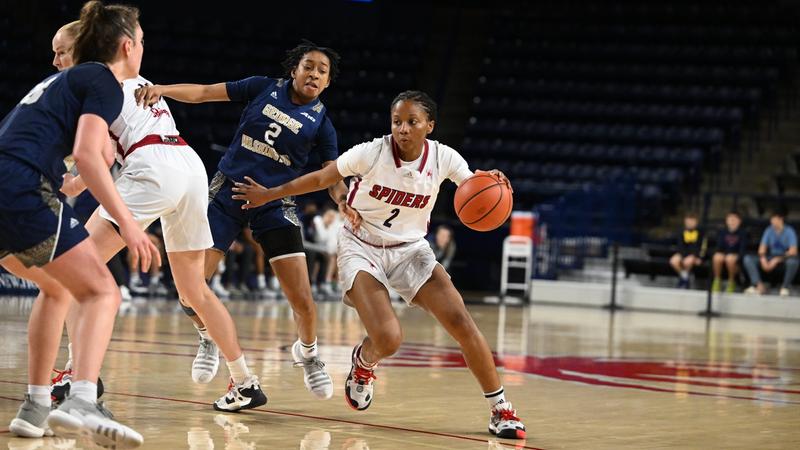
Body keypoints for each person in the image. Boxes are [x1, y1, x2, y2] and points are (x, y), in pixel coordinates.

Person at [232, 90, 527, 439]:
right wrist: (271, 193)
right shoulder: (372, 151)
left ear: (429, 126)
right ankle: (364, 362)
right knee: (388, 338)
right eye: (397, 121)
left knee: (462, 322)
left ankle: (500, 409)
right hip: (362, 245)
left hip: (411, 250)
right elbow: (322, 177)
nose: (402, 129)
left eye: (412, 122)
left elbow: (472, 185)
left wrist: (491, 182)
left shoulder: (443, 158)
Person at [56, 28, 266, 412]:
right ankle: (245, 381)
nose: (56, 61)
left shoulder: (92, 83)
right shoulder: (135, 76)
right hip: (187, 163)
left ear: (84, 50)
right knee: (194, 291)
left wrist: (73, 184)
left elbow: (100, 155)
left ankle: (76, 373)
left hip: (151, 165)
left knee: (74, 268)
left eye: (62, 52)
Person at [135, 40, 357, 400]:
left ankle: (309, 353)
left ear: (328, 83)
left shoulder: (322, 125)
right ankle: (208, 337)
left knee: (302, 298)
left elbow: (330, 173)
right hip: (227, 193)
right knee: (190, 289)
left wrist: (344, 198)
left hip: (274, 202)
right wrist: (163, 90)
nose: (314, 73)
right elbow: (205, 92)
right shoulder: (262, 87)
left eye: (322, 71)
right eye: (309, 66)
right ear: (294, 70)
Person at [0, 2, 159, 447]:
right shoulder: (103, 80)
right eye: (142, 41)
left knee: (57, 288)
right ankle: (82, 398)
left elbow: (77, 156)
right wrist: (128, 223)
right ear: (128, 46)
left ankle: (35, 406)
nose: (143, 49)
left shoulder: (60, 81)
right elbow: (90, 157)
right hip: (19, 185)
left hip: (10, 183)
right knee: (102, 291)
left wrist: (72, 177)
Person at [743, 211, 798, 296]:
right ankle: (758, 285)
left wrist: (777, 259)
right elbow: (761, 249)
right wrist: (763, 259)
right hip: (770, 256)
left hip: (784, 258)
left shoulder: (789, 231)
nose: (772, 222)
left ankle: (785, 287)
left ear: (781, 219)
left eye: (775, 219)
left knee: (793, 262)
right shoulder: (769, 230)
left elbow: (793, 251)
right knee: (748, 258)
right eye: (772, 220)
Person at [711, 211, 747, 293]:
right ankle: (717, 280)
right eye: (730, 219)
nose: (732, 221)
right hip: (725, 255)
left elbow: (742, 250)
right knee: (717, 257)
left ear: (739, 221)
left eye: (734, 219)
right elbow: (719, 247)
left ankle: (731, 281)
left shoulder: (743, 233)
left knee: (730, 259)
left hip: (736, 259)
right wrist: (724, 254)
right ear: (726, 221)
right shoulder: (722, 232)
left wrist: (736, 257)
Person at [669, 212, 705, 289]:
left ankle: (683, 281)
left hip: (694, 254)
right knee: (673, 261)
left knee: (688, 261)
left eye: (692, 221)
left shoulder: (701, 232)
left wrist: (698, 257)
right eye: (688, 221)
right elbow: (680, 246)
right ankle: (685, 278)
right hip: (683, 253)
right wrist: (684, 256)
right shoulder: (681, 231)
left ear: (696, 222)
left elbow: (703, 247)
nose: (690, 223)